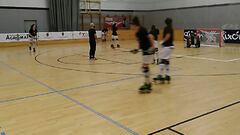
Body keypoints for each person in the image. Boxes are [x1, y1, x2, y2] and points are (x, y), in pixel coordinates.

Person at [131, 16, 155, 93]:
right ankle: (148, 83)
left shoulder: (142, 29)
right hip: (144, 51)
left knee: (145, 67)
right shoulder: (137, 33)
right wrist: (136, 50)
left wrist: (152, 47)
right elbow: (139, 42)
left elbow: (150, 37)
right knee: (144, 67)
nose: (131, 26)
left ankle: (148, 84)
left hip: (148, 50)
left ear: (135, 24)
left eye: (132, 25)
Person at [154, 18, 174, 83]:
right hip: (170, 46)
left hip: (167, 46)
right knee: (167, 60)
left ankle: (160, 75)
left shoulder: (167, 28)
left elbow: (168, 35)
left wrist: (163, 41)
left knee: (162, 60)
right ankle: (167, 75)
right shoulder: (171, 28)